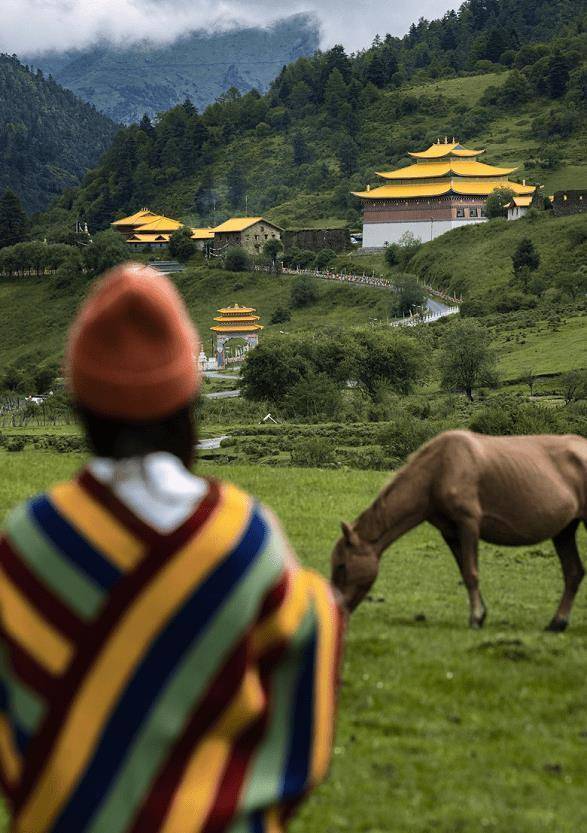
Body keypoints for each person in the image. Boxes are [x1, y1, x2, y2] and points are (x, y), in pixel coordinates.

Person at [0, 263, 349, 833]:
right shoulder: (244, 537)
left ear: (83, 409)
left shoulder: (29, 539)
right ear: (189, 403)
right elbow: (314, 633)